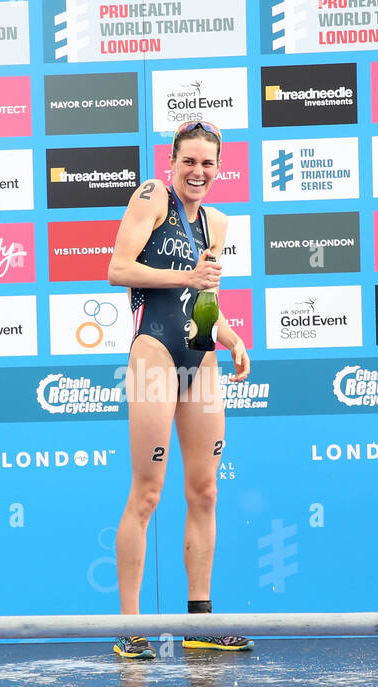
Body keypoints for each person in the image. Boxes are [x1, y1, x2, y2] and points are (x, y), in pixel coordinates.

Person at [106, 120, 252, 659]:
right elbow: (118, 269)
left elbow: (205, 302)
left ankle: (200, 619)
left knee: (205, 490)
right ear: (172, 161)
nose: (198, 172)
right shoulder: (151, 196)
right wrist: (186, 279)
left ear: (219, 169)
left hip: (200, 351)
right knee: (147, 492)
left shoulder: (218, 221)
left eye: (208, 164)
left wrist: (231, 336)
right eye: (189, 161)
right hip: (154, 352)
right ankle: (127, 626)